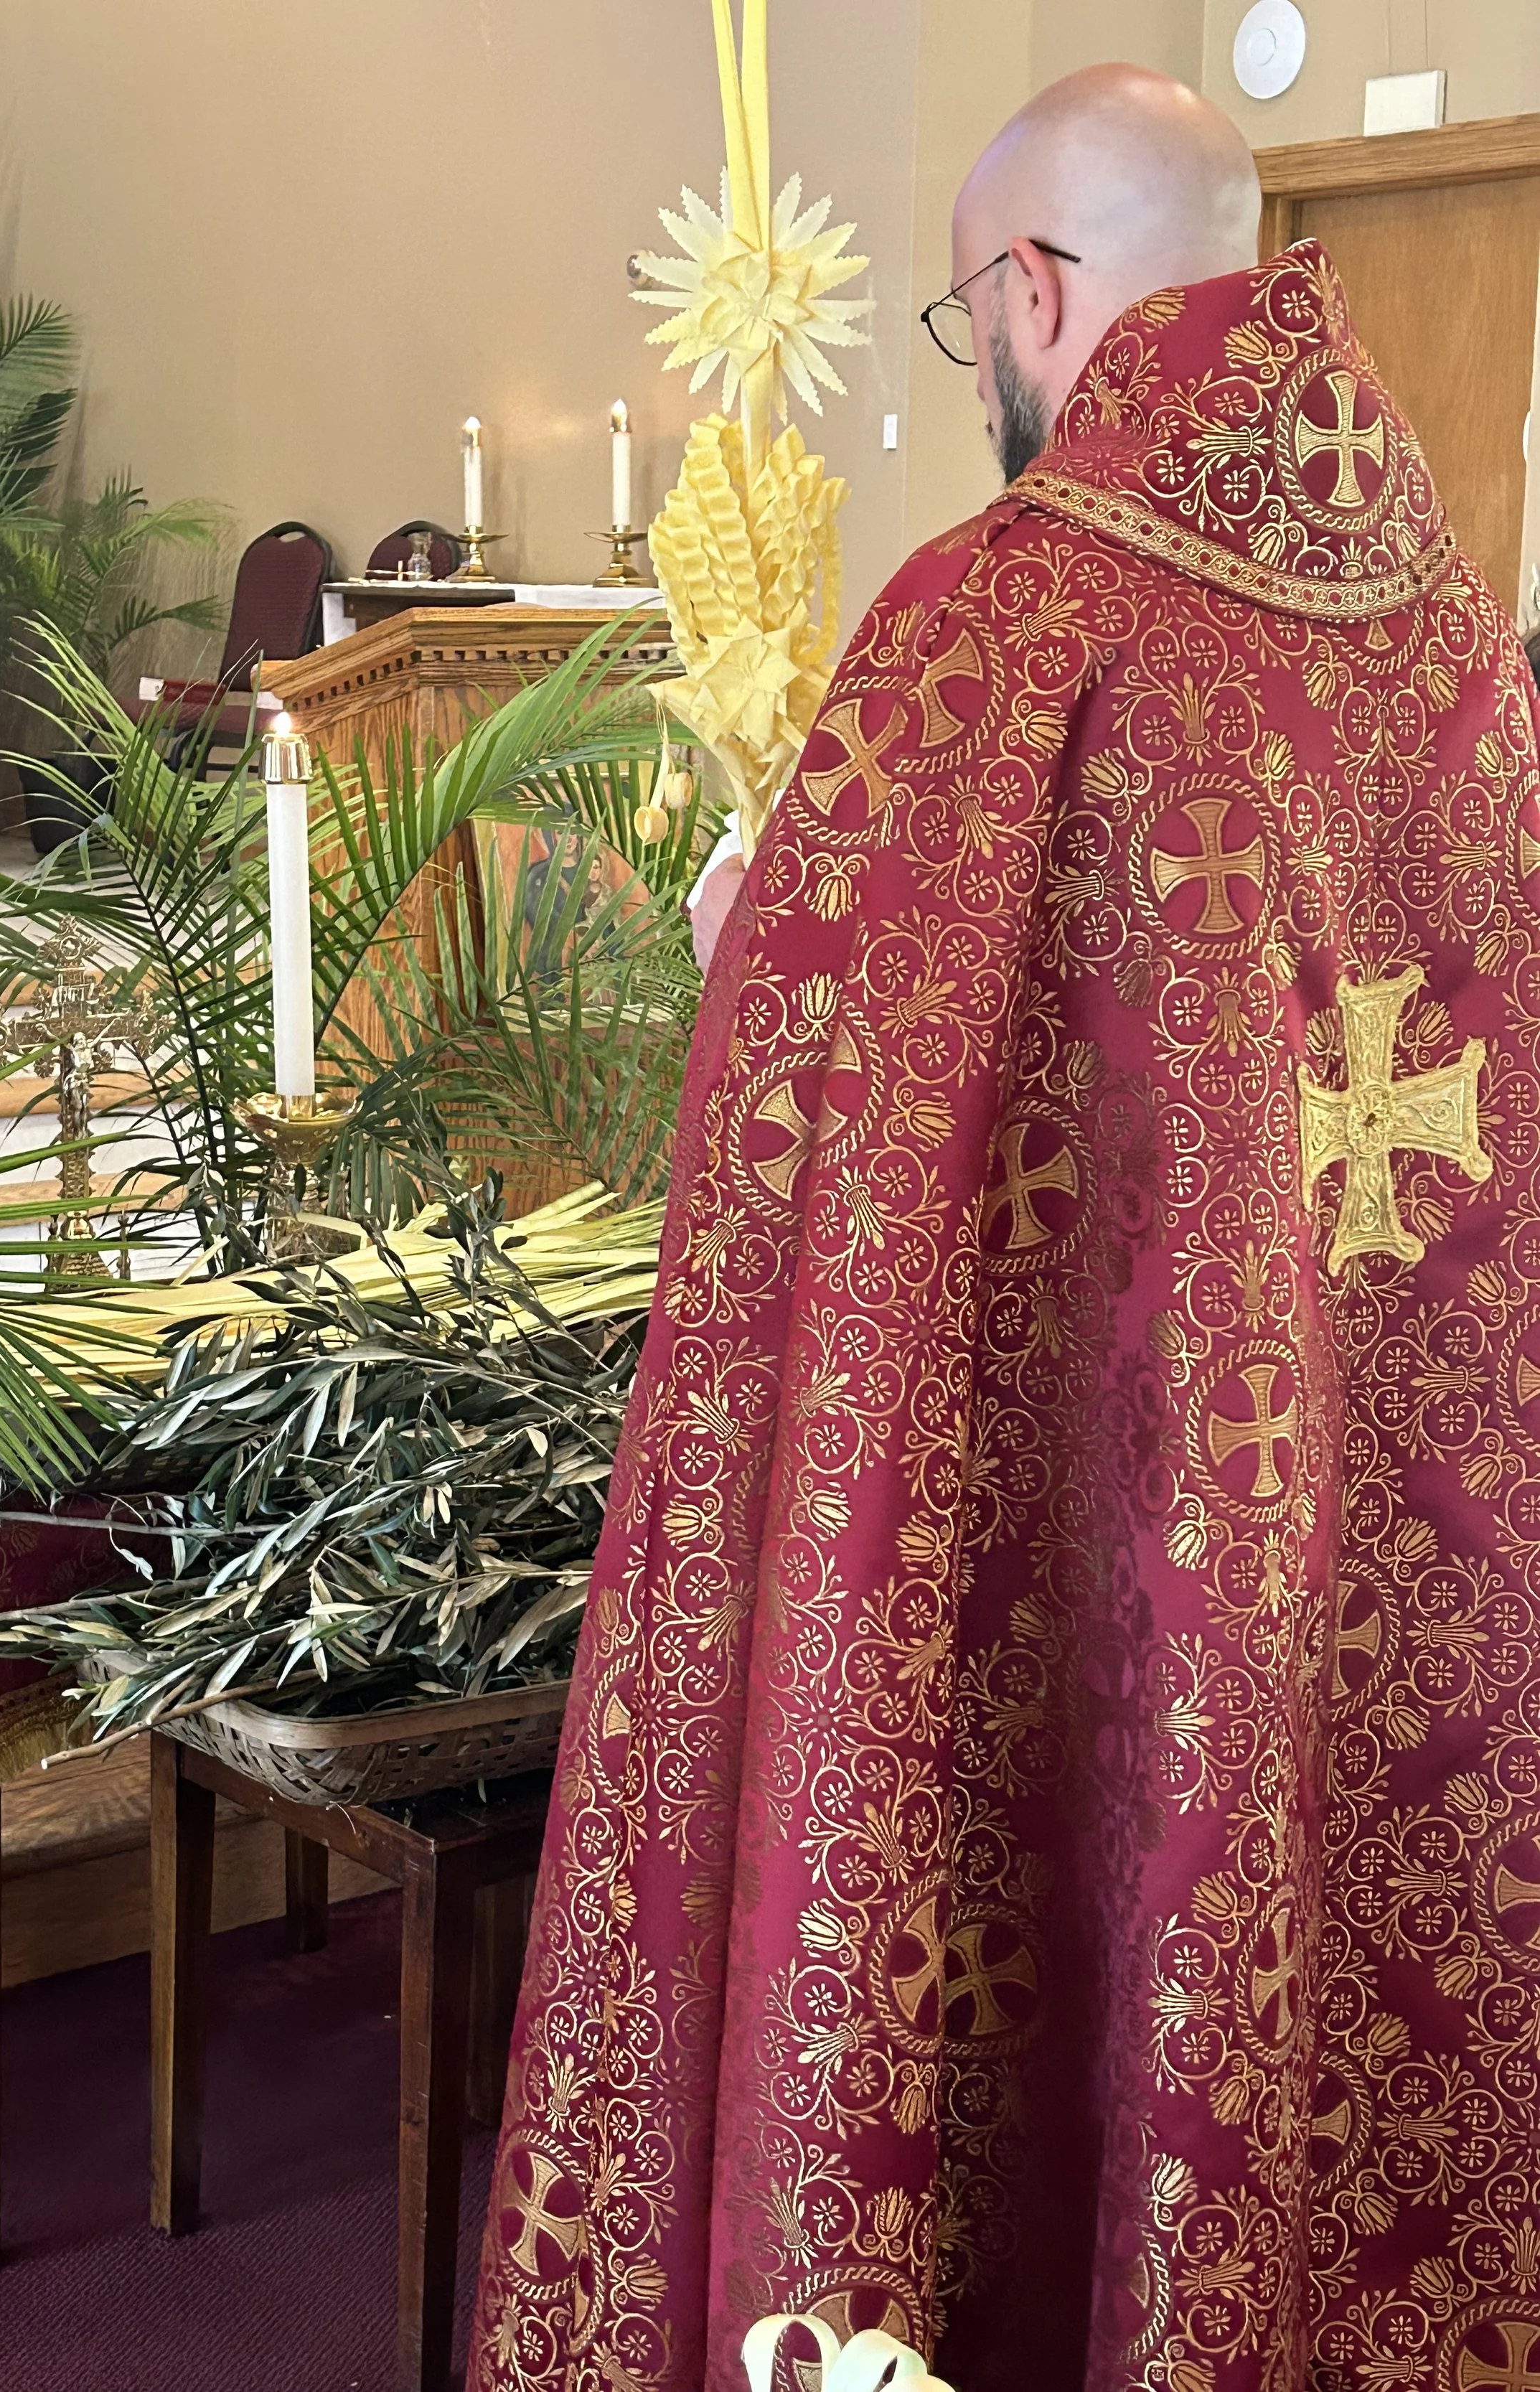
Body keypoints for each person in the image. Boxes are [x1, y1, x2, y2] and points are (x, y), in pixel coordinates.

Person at [471, 61, 1540, 2392]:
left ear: (1034, 291)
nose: (994, 391)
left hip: (1099, 1533)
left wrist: (758, 934)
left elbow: (828, 1129)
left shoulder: (1001, 623)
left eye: (979, 337)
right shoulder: (1466, 657)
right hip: (1377, 1539)